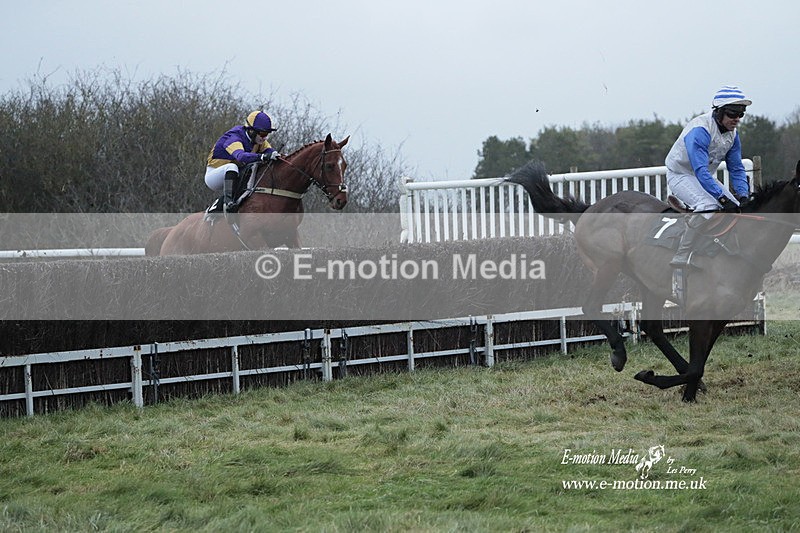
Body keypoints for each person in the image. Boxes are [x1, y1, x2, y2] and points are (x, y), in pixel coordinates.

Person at [665, 85, 752, 268]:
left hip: (704, 176)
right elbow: (700, 170)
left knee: (736, 208)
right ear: (719, 112)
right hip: (681, 174)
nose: (736, 119)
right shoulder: (700, 130)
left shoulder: (733, 136)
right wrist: (720, 197)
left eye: (741, 114)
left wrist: (743, 195)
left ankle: (719, 247)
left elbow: (736, 168)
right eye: (732, 114)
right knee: (709, 205)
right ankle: (682, 253)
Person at [205, 111, 281, 213]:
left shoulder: (258, 140)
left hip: (236, 174)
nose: (265, 138)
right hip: (214, 175)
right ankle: (228, 203)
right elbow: (241, 157)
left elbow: (270, 152)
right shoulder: (233, 137)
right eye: (263, 134)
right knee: (232, 167)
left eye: (267, 134)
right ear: (251, 131)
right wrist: (262, 156)